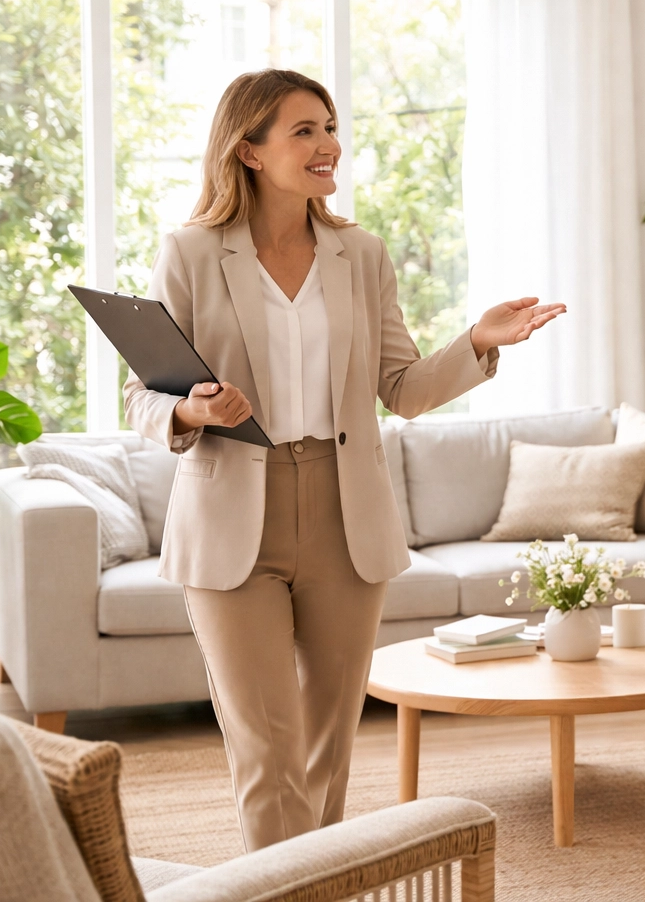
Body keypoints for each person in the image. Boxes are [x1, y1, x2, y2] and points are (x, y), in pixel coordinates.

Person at [124, 69, 563, 852]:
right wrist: (191, 408)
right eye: (304, 131)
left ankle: (312, 880)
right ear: (249, 151)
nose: (329, 145)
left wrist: (478, 343)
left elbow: (402, 388)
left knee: (328, 749)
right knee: (267, 749)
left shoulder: (360, 254)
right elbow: (142, 396)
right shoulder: (190, 253)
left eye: (329, 127)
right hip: (232, 518)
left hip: (343, 510)